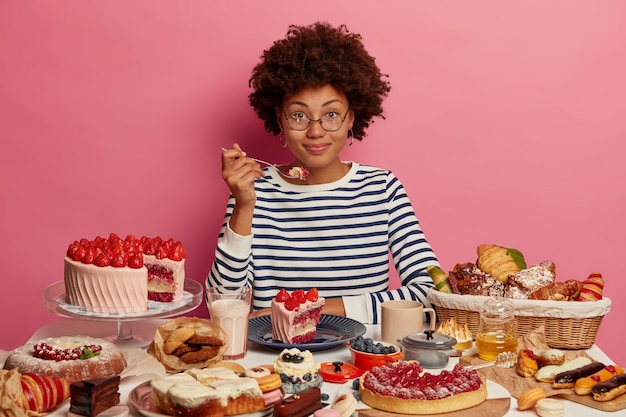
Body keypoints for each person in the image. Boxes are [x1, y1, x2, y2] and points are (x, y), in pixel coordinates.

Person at [206, 22, 439, 324]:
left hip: (362, 361)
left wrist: (312, 310)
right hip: (269, 364)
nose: (315, 131)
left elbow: (429, 292)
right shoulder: (254, 191)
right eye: (299, 115)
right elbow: (224, 303)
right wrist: (244, 205)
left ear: (351, 117)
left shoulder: (383, 189)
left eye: (331, 114)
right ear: (280, 118)